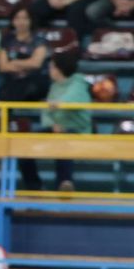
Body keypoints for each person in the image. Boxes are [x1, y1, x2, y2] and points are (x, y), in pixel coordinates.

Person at [19, 52, 91, 192]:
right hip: (55, 129)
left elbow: (69, 100)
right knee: (25, 144)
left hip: (77, 130)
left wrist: (57, 104)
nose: (49, 70)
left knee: (63, 141)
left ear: (60, 69)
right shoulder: (54, 86)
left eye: (52, 67)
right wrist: (52, 124)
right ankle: (34, 187)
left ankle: (64, 183)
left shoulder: (78, 83)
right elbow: (47, 111)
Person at [0, 5, 51, 103]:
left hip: (34, 81)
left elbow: (36, 63)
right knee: (10, 87)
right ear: (13, 21)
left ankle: (1, 114)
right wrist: (26, 64)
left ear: (31, 20)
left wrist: (15, 62)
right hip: (12, 82)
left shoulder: (39, 40)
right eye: (17, 18)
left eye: (25, 18)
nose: (21, 22)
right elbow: (3, 66)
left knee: (21, 88)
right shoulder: (7, 40)